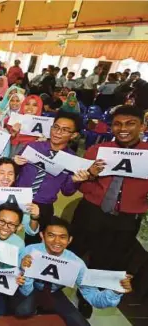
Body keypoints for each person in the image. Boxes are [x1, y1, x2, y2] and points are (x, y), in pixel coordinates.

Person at [69, 105, 148, 317]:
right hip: (91, 210)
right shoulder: (97, 151)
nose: (123, 128)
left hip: (125, 218)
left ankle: (86, 295)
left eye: (130, 123)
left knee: (104, 260)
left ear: (142, 125)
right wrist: (91, 174)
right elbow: (79, 185)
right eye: (118, 124)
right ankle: (56, 284)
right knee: (73, 249)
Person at [13, 217, 133, 326]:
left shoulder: (76, 263)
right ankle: (36, 308)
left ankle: (44, 307)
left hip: (54, 292)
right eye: (51, 235)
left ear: (69, 240)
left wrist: (115, 292)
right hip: (30, 288)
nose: (56, 241)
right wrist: (25, 271)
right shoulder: (29, 251)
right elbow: (20, 286)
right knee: (22, 310)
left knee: (81, 324)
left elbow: (93, 297)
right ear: (42, 236)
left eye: (62, 237)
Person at [13, 111, 90, 245]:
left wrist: (74, 181)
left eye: (65, 130)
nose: (58, 132)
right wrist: (15, 163)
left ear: (74, 135)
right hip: (17, 198)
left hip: (44, 206)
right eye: (56, 127)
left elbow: (67, 191)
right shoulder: (33, 147)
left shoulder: (72, 160)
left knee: (34, 243)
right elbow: (13, 172)